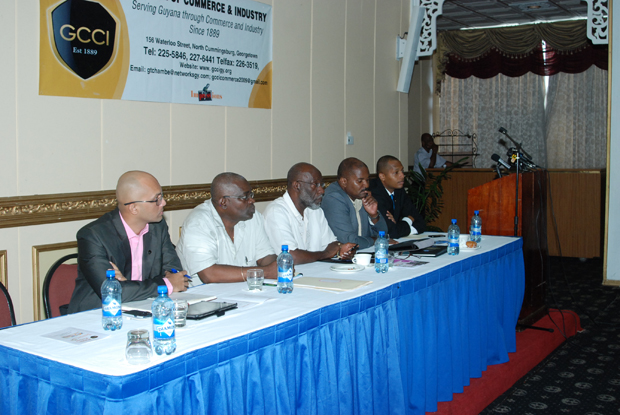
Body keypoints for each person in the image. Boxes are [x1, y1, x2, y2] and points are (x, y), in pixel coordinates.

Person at [68, 171, 189, 313]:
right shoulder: (93, 236)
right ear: (133, 208)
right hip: (97, 315)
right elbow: (114, 293)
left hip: (144, 309)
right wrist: (166, 284)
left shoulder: (157, 226)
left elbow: (175, 273)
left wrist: (127, 285)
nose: (163, 203)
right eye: (156, 199)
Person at [176, 172, 277, 284]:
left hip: (241, 291)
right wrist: (265, 272)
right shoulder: (198, 223)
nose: (251, 200)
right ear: (223, 202)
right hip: (203, 295)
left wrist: (278, 265)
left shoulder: (253, 217)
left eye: (251, 195)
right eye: (245, 197)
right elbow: (209, 274)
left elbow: (264, 256)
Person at [263, 163, 357, 264]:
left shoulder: (315, 210)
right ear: (297, 186)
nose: (321, 190)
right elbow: (291, 256)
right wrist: (325, 254)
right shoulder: (276, 212)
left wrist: (341, 248)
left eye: (322, 185)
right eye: (315, 185)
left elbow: (331, 244)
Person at [322, 157, 388, 249]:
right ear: (344, 181)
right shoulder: (333, 199)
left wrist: (374, 216)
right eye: (360, 181)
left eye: (367, 180)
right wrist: (374, 240)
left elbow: (384, 235)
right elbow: (350, 242)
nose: (366, 185)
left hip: (364, 253)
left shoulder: (361, 195)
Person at [370, 155, 426, 239]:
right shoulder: (374, 193)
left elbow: (421, 222)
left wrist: (398, 225)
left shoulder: (399, 190)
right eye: (396, 173)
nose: (402, 176)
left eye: (402, 171)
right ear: (382, 176)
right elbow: (390, 231)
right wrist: (409, 220)